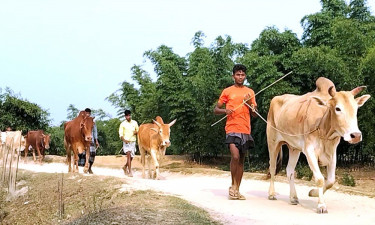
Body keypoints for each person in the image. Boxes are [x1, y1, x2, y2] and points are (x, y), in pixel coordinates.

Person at [214, 64, 258, 200]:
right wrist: (225, 111)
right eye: (238, 74)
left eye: (242, 75)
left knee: (241, 161)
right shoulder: (227, 91)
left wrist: (250, 104)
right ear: (233, 76)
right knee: (235, 157)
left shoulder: (250, 92)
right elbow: (216, 109)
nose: (240, 77)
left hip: (245, 129)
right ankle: (233, 185)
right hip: (232, 128)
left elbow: (255, 114)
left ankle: (237, 189)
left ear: (245, 76)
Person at [78, 108, 100, 174]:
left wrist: (96, 140)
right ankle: (84, 167)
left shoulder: (93, 122)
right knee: (82, 154)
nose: (87, 114)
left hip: (91, 139)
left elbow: (95, 131)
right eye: (86, 113)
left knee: (92, 154)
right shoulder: (82, 121)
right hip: (83, 141)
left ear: (90, 114)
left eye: (88, 113)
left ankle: (90, 168)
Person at [119, 110, 139, 177]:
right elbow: (121, 135)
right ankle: (130, 171)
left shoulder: (135, 123)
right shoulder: (122, 124)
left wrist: (136, 132)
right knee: (128, 155)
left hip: (133, 141)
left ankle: (125, 167)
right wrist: (124, 140)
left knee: (132, 157)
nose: (128, 117)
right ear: (125, 116)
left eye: (129, 115)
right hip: (126, 142)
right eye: (127, 116)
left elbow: (138, 130)